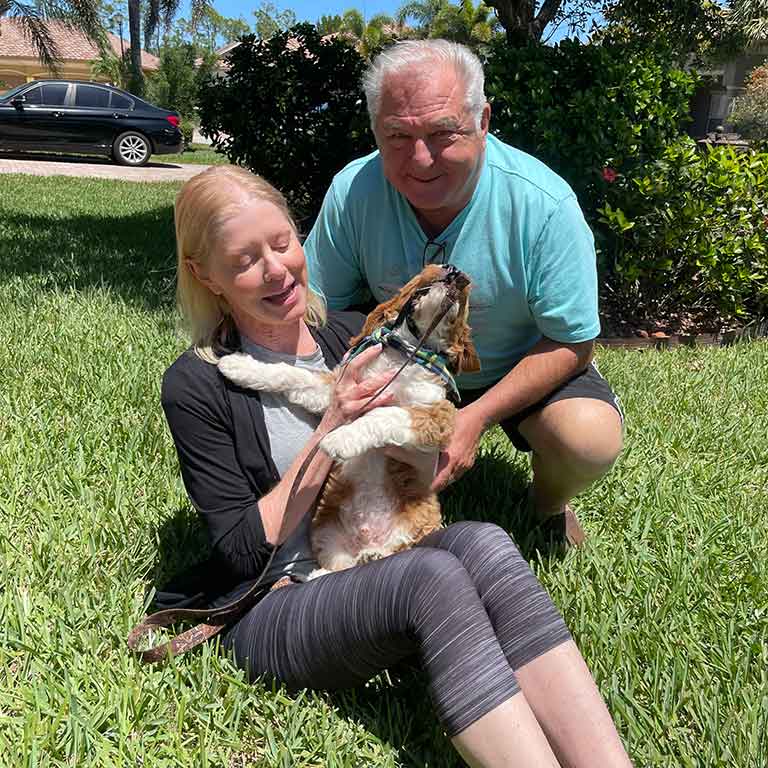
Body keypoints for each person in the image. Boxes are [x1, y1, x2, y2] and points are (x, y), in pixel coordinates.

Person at [161, 164, 633, 767]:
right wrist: (331, 427)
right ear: (205, 275)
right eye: (246, 260)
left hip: (379, 553)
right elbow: (239, 550)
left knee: (485, 541)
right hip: (279, 599)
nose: (277, 269)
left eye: (282, 243)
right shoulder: (198, 383)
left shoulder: (351, 336)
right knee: (431, 577)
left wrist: (413, 430)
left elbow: (421, 461)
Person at [304, 40, 624, 546]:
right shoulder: (353, 191)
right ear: (376, 131)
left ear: (483, 122)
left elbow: (573, 342)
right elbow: (320, 312)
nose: (421, 159)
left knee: (587, 437)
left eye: (442, 133)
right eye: (398, 136)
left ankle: (548, 507)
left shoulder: (544, 205)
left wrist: (474, 418)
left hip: (511, 367)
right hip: (399, 370)